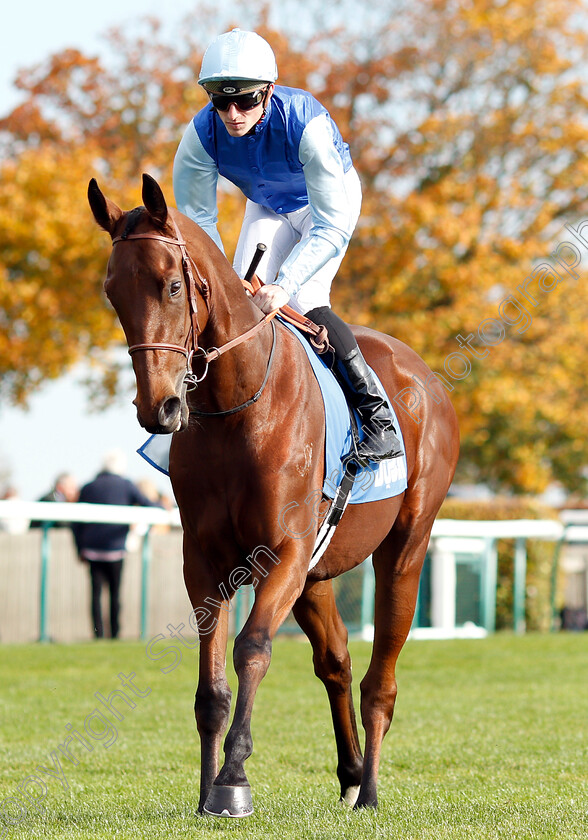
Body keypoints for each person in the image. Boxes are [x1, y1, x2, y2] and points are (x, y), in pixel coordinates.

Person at [173, 28, 402, 465]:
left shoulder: (306, 124)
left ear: (270, 92)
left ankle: (377, 417)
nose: (233, 113)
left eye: (246, 100)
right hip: (268, 207)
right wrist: (223, 278)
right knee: (236, 307)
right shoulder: (200, 135)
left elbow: (331, 226)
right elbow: (199, 223)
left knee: (302, 296)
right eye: (221, 101)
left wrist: (285, 283)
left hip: (327, 205)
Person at [72, 450, 161, 640]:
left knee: (95, 594)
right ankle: (115, 634)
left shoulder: (89, 487)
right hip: (116, 550)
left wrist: (79, 548)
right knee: (115, 594)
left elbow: (75, 522)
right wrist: (163, 507)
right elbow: (149, 504)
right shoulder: (126, 485)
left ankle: (98, 634)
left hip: (92, 550)